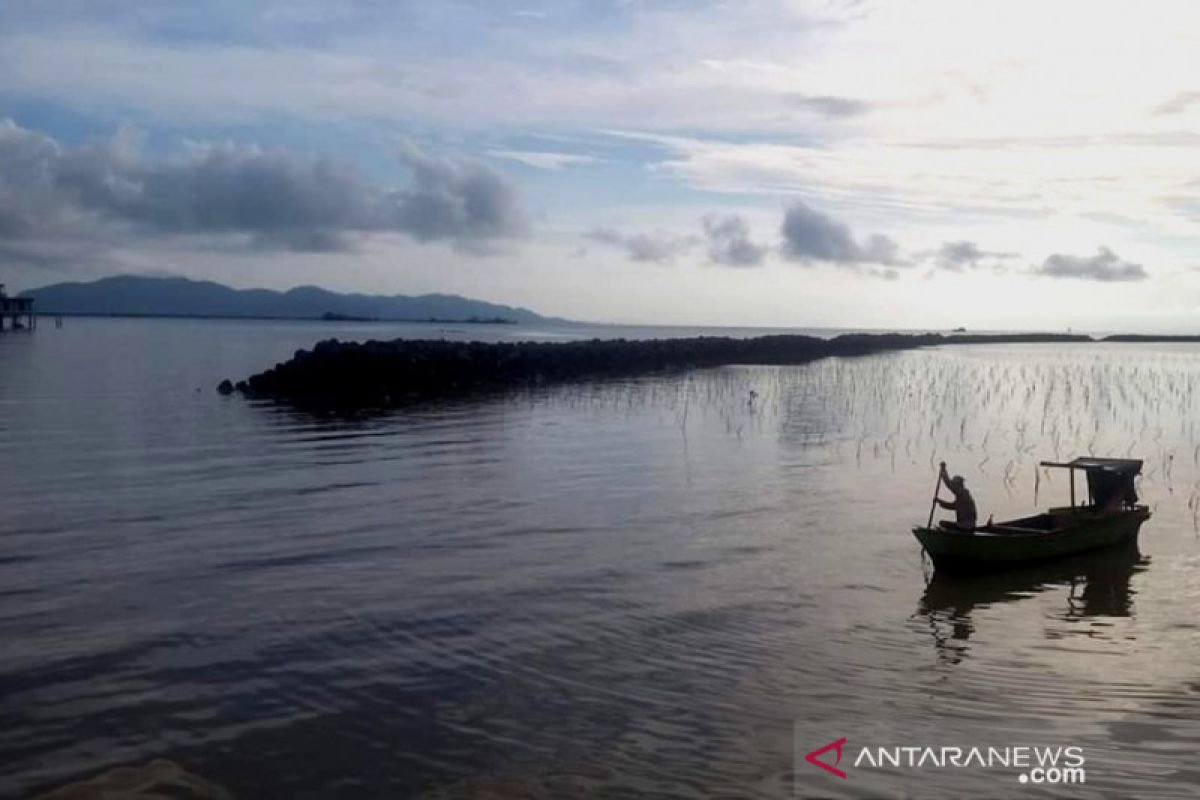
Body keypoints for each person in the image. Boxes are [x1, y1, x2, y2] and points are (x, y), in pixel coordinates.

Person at [936, 461, 977, 530]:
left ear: (958, 484)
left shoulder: (962, 494)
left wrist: (940, 501)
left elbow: (953, 506)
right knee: (943, 524)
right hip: (967, 524)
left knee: (942, 523)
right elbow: (949, 485)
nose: (953, 486)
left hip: (966, 525)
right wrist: (943, 471)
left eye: (954, 484)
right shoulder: (963, 493)